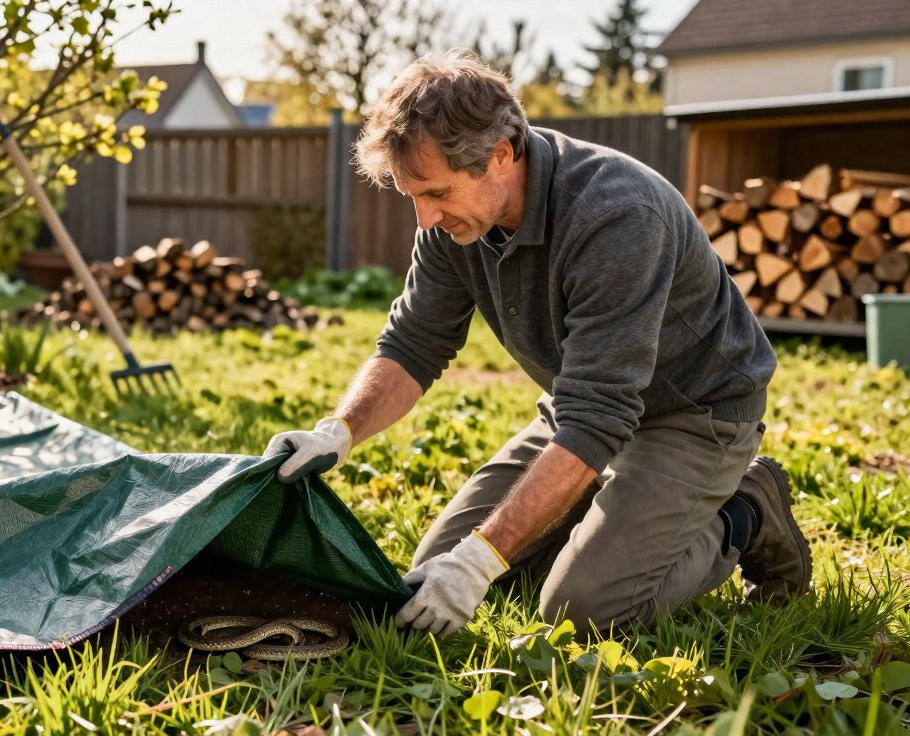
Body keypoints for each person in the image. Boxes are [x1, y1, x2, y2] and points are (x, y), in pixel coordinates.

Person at [262, 49, 810, 637]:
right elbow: (414, 342)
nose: (424, 218)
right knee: (432, 570)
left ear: (501, 155)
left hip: (693, 413)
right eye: (411, 195)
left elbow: (599, 415)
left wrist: (481, 560)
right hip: (581, 405)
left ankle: (746, 509)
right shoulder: (455, 221)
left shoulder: (616, 215)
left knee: (582, 611)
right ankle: (599, 516)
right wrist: (337, 433)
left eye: (437, 193)